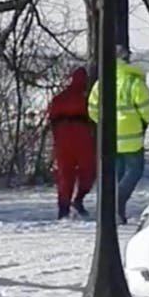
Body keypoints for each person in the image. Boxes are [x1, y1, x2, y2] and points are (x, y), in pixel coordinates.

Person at [87, 45, 149, 224]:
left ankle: (116, 213)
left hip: (110, 137)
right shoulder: (134, 82)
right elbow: (147, 111)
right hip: (132, 137)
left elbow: (92, 109)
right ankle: (117, 203)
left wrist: (102, 124)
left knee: (117, 173)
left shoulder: (101, 83)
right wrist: (144, 121)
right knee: (134, 171)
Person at [46, 65, 95, 219]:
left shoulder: (60, 97)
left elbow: (51, 117)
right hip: (82, 140)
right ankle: (79, 198)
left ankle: (63, 207)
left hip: (62, 141)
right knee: (88, 171)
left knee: (64, 174)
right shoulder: (88, 98)